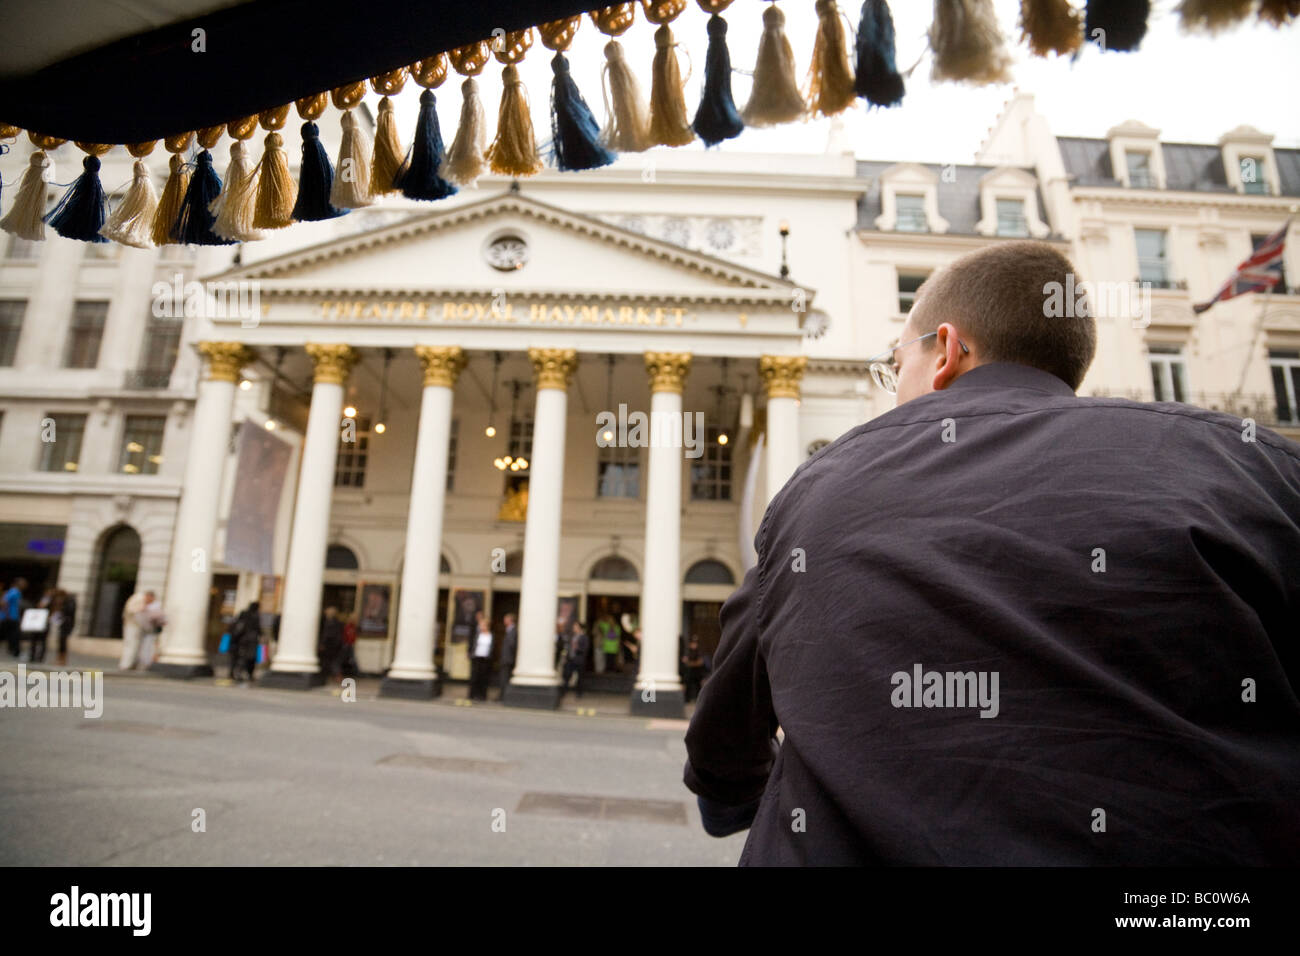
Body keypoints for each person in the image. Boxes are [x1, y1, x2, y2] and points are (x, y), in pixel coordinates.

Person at [683, 241, 1300, 866]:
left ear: (946, 351)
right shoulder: (1252, 471)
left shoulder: (820, 491)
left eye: (895, 364)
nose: (895, 386)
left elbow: (724, 743)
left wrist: (730, 802)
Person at [230, 601, 261, 683]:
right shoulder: (254, 616)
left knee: (242, 658)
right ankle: (243, 674)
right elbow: (258, 629)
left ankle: (237, 673)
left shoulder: (246, 614)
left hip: (244, 640)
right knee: (246, 658)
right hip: (249, 641)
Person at [559, 621, 589, 700]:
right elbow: (567, 647)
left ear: (579, 627)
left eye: (575, 626)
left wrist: (577, 648)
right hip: (570, 660)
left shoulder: (584, 637)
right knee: (567, 676)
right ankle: (563, 692)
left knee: (580, 678)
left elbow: (584, 649)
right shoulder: (572, 637)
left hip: (579, 660)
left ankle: (579, 694)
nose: (574, 628)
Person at [119, 589, 147, 670]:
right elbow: (132, 610)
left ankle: (128, 663)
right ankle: (126, 664)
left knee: (132, 645)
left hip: (132, 625)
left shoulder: (136, 599)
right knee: (131, 645)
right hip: (133, 625)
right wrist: (142, 609)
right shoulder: (139, 599)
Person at [136, 590, 164, 668]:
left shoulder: (156, 607)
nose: (145, 598)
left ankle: (147, 663)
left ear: (152, 597)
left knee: (149, 646)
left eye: (147, 597)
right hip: (144, 629)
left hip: (152, 630)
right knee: (144, 646)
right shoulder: (146, 605)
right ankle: (143, 662)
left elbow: (158, 619)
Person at [469, 615, 494, 701]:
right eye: (480, 625)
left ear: (486, 626)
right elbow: (472, 645)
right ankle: (472, 695)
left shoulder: (491, 635)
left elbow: (492, 648)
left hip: (485, 659)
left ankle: (482, 696)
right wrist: (470, 654)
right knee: (474, 677)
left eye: (482, 625)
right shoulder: (477, 635)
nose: (481, 626)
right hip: (476, 657)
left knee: (483, 678)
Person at [29, 588, 56, 663]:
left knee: (43, 641)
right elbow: (36, 607)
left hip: (45, 622)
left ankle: (40, 658)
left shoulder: (53, 602)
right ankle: (32, 656)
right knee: (34, 639)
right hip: (37, 621)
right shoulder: (40, 599)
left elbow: (54, 612)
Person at [317, 606, 343, 683]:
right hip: (335, 645)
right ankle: (334, 676)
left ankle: (335, 676)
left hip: (329, 645)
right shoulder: (337, 622)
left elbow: (327, 634)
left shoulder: (329, 623)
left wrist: (322, 644)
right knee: (332, 661)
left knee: (329, 661)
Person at [3, 577, 26, 657]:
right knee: (14, 635)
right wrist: (7, 614)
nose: (25, 585)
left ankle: (13, 651)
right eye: (23, 583)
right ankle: (14, 651)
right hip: (11, 617)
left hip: (14, 616)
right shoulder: (13, 591)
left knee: (13, 635)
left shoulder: (17, 592)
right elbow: (4, 602)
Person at [53, 589, 76, 667]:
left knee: (63, 641)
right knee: (61, 640)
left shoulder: (69, 601)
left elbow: (69, 611)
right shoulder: (66, 602)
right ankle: (59, 658)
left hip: (67, 624)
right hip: (63, 623)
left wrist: (61, 606)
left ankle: (63, 659)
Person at [681, 637, 706, 704]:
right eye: (693, 643)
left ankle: (698, 700)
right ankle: (687, 699)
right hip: (689, 672)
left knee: (698, 687)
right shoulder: (688, 651)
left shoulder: (699, 652)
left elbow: (700, 662)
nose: (694, 645)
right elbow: (684, 660)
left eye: (695, 643)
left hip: (697, 673)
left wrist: (691, 663)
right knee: (688, 686)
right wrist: (692, 663)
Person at [498, 613, 517, 698]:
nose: (504, 621)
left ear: (510, 620)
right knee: (503, 677)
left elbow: (512, 644)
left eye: (505, 619)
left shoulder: (513, 630)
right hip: (506, 658)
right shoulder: (509, 630)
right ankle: (502, 695)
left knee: (504, 678)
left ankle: (503, 696)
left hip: (508, 658)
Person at [340, 614, 359, 678]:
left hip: (349, 644)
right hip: (346, 644)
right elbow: (346, 635)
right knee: (346, 658)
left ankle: (355, 672)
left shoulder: (353, 627)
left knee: (351, 659)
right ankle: (355, 672)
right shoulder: (348, 626)